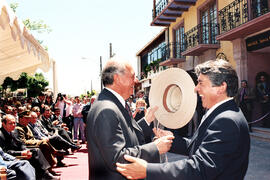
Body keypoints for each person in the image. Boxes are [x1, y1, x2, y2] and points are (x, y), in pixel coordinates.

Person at [116, 59, 251, 180]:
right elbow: (199, 148)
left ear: (221, 87)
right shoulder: (220, 114)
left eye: (201, 83)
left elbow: (200, 168)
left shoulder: (226, 121)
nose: (196, 88)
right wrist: (172, 139)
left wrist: (147, 170)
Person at [86, 59, 174, 180]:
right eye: (132, 76)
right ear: (117, 78)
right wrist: (155, 147)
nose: (136, 81)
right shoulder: (106, 109)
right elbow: (117, 158)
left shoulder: (113, 103)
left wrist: (147, 120)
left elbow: (127, 133)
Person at [0, 114, 60, 179]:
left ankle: (45, 173)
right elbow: (5, 152)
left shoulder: (14, 131)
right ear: (3, 123)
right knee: (33, 156)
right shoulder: (1, 135)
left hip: (19, 152)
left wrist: (25, 150)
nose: (13, 125)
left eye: (14, 123)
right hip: (11, 156)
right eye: (10, 123)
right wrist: (21, 153)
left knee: (35, 151)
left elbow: (21, 143)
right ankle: (44, 176)